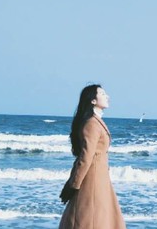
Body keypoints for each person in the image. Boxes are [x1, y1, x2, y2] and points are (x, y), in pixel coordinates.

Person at [59, 84, 126, 229]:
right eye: (102, 94)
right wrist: (74, 184)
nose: (107, 96)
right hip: (92, 179)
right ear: (93, 100)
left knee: (97, 218)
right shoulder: (91, 123)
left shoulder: (95, 121)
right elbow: (86, 156)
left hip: (99, 177)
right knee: (90, 219)